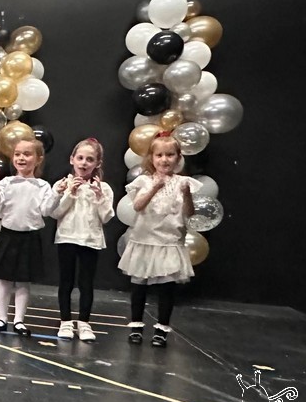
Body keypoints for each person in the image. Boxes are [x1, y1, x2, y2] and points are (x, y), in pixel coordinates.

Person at [118, 134, 200, 347]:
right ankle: (136, 327)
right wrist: (154, 188)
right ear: (152, 158)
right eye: (159, 155)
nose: (164, 159)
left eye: (170, 155)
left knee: (166, 289)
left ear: (178, 158)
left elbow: (189, 213)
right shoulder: (144, 181)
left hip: (169, 242)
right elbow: (138, 206)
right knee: (139, 287)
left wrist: (187, 195)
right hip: (144, 239)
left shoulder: (183, 183)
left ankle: (161, 330)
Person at [0, 138, 58, 337]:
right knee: (4, 279)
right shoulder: (6, 183)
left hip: (29, 237)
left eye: (27, 154)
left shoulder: (42, 186)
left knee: (23, 281)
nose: (21, 158)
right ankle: (2, 318)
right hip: (8, 235)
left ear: (38, 159)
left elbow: (46, 210)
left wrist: (57, 194)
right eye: (17, 154)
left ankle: (19, 320)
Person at [52, 138, 114, 342]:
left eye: (90, 159)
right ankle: (65, 321)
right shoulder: (63, 184)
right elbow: (55, 212)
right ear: (72, 159)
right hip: (67, 238)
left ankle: (84, 323)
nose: (84, 163)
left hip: (90, 240)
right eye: (80, 158)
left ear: (97, 164)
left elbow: (107, 217)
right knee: (66, 281)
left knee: (86, 283)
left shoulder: (103, 188)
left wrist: (99, 197)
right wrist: (69, 193)